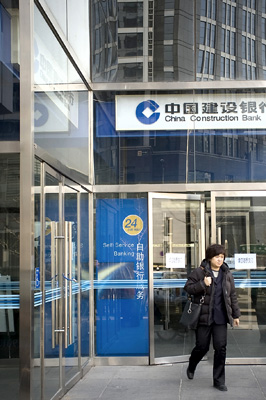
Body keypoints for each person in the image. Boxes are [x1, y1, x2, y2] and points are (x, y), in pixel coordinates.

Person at [184, 244, 240, 392]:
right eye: (217, 257)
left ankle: (219, 380)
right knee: (202, 347)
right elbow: (188, 288)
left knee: (221, 348)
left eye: (222, 257)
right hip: (204, 317)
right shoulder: (200, 272)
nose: (220, 260)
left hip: (221, 318)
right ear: (210, 257)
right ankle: (192, 363)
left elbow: (232, 295)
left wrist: (236, 315)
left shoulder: (227, 273)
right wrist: (203, 284)